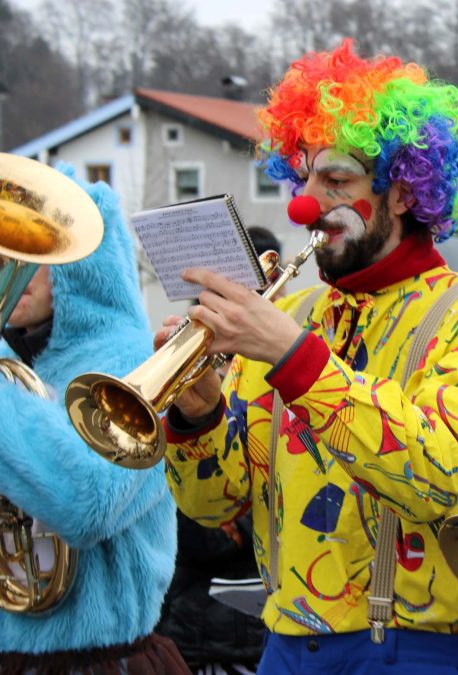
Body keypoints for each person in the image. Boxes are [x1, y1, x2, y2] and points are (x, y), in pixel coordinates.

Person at [160, 40, 458, 674]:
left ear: (404, 194)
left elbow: (449, 477)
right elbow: (218, 507)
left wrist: (296, 360)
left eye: (336, 180)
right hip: (283, 646)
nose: (308, 202)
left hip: (410, 652)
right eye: (304, 176)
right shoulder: (291, 317)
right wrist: (200, 416)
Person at [0, 161, 186, 671]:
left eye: (31, 248)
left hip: (100, 660)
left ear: (79, 262)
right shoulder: (11, 365)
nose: (8, 261)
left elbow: (84, 502)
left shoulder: (137, 362)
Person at [156, 227, 284, 674]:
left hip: (241, 635)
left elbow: (212, 534)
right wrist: (191, 421)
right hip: (187, 628)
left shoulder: (272, 374)